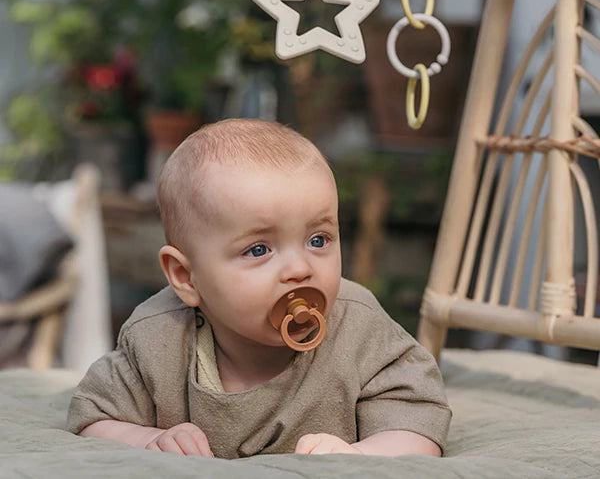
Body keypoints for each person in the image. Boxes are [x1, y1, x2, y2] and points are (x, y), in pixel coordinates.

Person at [67, 119, 451, 458]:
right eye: (258, 249)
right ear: (185, 277)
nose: (300, 269)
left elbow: (419, 422)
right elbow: (92, 417)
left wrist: (362, 455)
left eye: (318, 240)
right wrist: (150, 440)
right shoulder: (157, 338)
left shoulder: (359, 328)